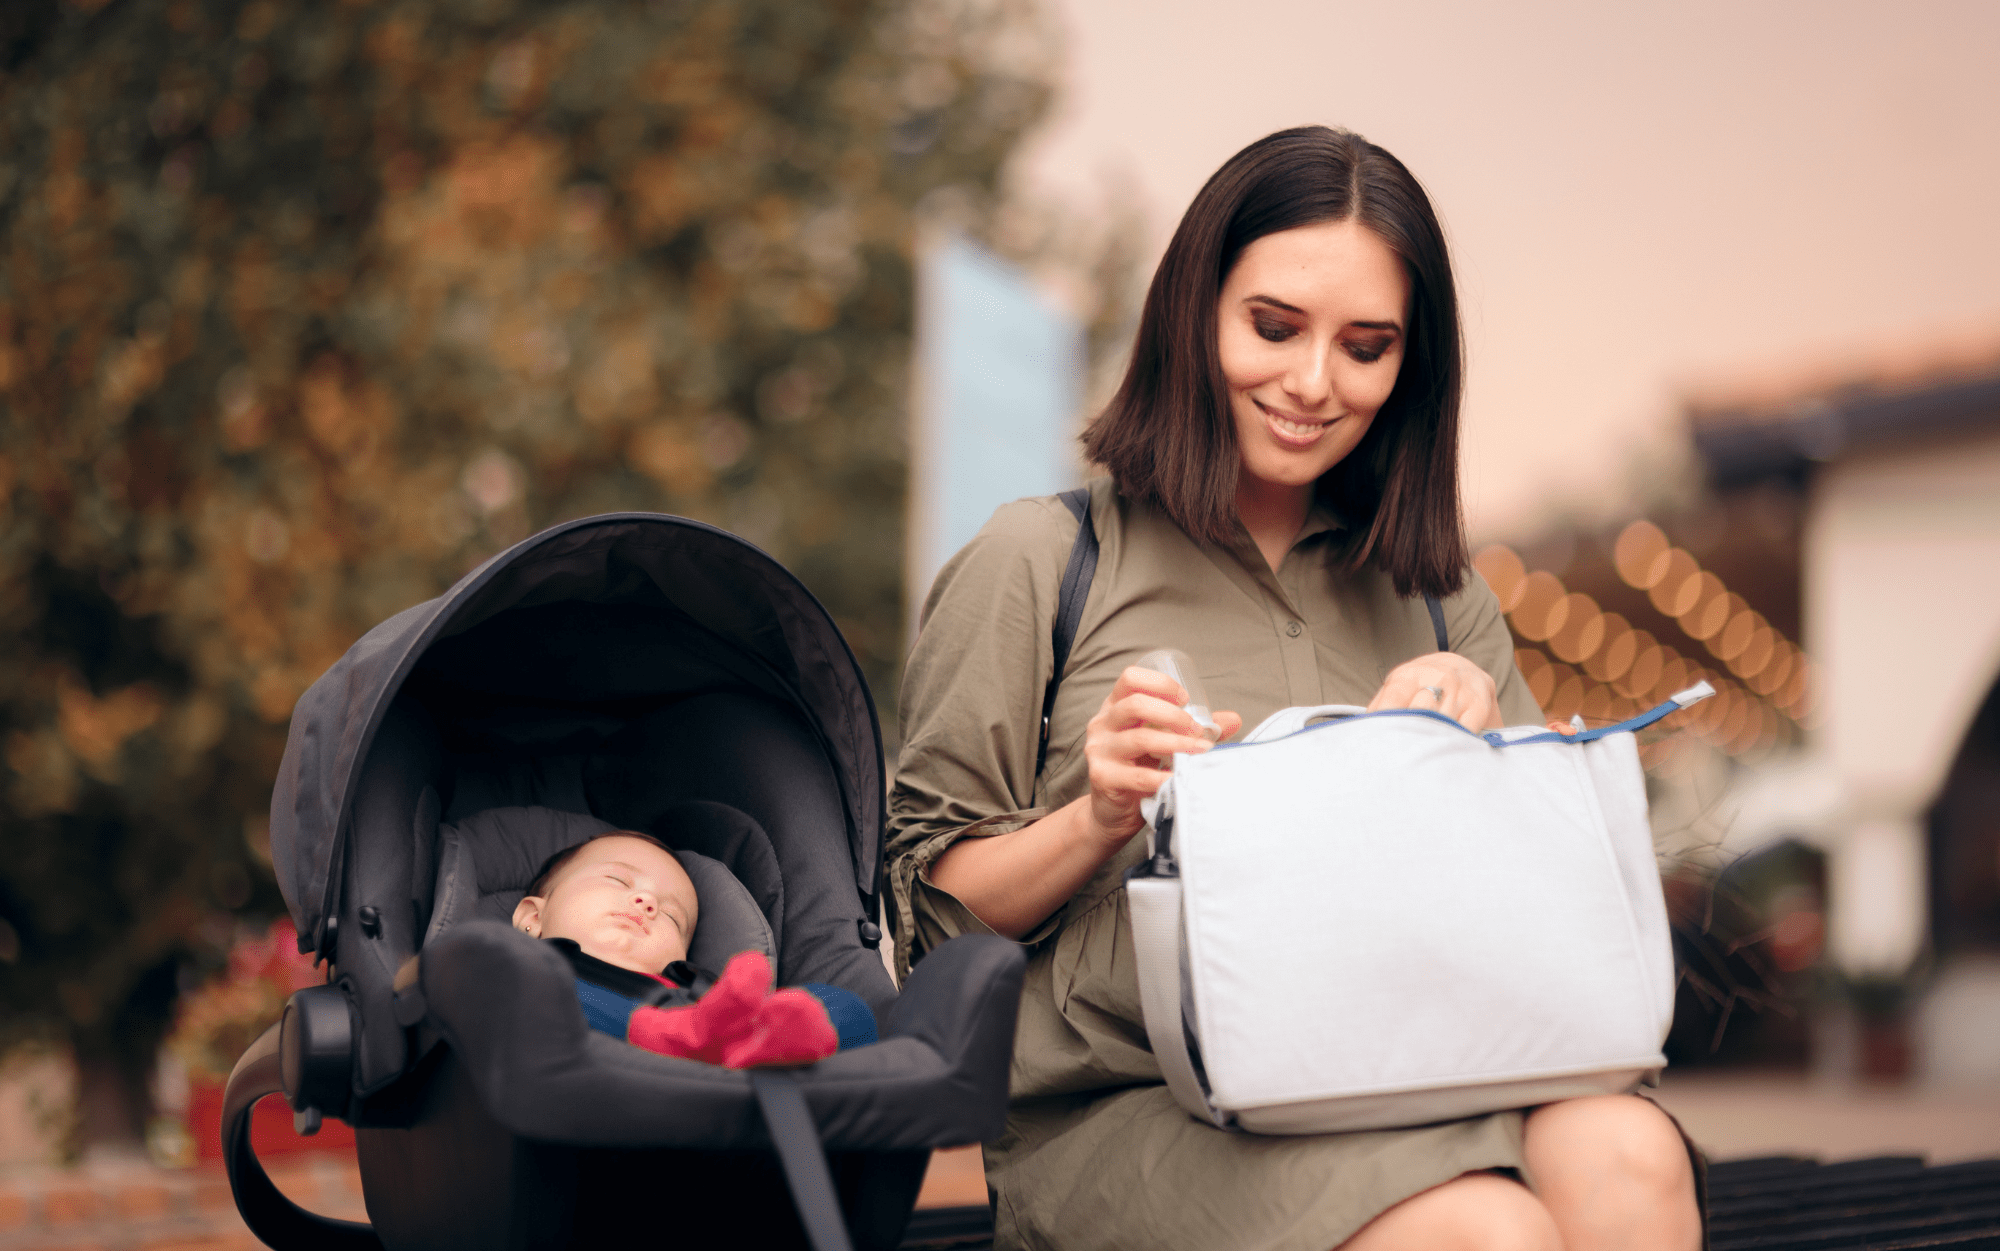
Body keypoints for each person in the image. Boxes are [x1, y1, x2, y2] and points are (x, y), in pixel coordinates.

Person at [887, 127, 1702, 1251]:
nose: (1312, 383)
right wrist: (1095, 813)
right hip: (1133, 1111)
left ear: (1409, 366)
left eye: (1365, 347)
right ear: (1192, 312)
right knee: (1484, 1232)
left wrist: (1476, 749)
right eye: (1271, 327)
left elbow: (1541, 910)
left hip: (1415, 1074)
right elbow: (928, 921)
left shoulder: (1432, 592)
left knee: (1631, 1153)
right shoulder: (1040, 559)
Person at [512, 830, 875, 1067]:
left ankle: (762, 1045)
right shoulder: (528, 965)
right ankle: (680, 1039)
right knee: (522, 985)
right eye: (617, 879)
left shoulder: (702, 989)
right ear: (532, 916)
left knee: (842, 1005)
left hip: (717, 1061)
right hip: (597, 1066)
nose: (647, 901)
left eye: (673, 916)